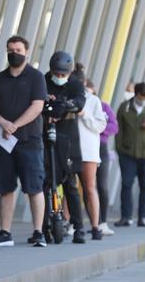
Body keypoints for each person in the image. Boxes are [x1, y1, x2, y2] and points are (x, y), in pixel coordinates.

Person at [0, 36, 48, 248]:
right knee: (5, 187)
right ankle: (5, 232)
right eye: (11, 49)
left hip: (29, 141)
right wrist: (3, 122)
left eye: (18, 49)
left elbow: (37, 106)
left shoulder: (36, 77)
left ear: (27, 52)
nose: (14, 53)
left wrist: (16, 125)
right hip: (3, 142)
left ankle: (38, 232)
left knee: (34, 187)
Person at [43, 51, 87, 244]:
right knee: (46, 182)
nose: (59, 77)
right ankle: (43, 225)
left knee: (70, 184)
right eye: (57, 74)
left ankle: (79, 227)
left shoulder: (75, 83)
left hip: (68, 138)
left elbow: (80, 101)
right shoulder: (44, 80)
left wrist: (66, 105)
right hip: (47, 134)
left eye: (63, 74)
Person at [114, 83, 145, 227]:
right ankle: (126, 217)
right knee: (127, 184)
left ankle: (143, 216)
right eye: (142, 97)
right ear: (136, 95)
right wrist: (119, 149)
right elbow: (119, 130)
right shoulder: (125, 107)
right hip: (127, 153)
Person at [75, 72, 107, 240]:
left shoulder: (93, 100)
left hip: (88, 151)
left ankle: (96, 226)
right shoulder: (66, 97)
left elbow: (101, 126)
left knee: (89, 187)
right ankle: (67, 224)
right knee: (69, 188)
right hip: (69, 149)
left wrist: (84, 114)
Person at [97, 88, 118, 236]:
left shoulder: (104, 107)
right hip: (83, 147)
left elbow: (114, 127)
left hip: (101, 147)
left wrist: (98, 127)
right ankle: (72, 222)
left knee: (102, 185)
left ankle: (102, 222)